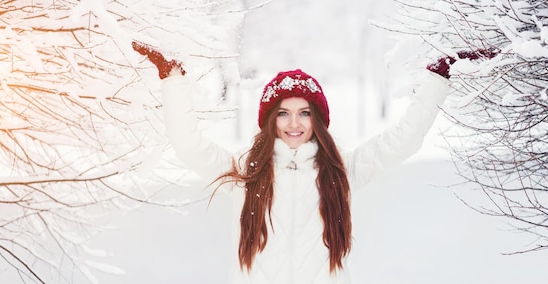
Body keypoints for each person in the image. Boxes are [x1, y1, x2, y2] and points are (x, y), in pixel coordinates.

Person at [133, 41, 495, 283]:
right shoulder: (248, 176)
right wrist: (173, 78)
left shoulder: (340, 173)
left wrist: (437, 78)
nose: (294, 124)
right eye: (284, 113)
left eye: (304, 113)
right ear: (270, 120)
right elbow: (188, 144)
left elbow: (403, 140)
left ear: (317, 120)